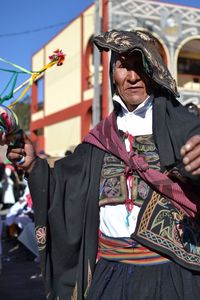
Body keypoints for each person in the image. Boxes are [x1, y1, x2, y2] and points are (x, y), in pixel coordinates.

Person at [5, 29, 200, 300]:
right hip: (110, 277)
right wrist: (33, 165)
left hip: (173, 276)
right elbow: (61, 186)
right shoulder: (100, 139)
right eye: (123, 66)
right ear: (112, 74)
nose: (132, 77)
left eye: (140, 66)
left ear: (154, 71)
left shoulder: (184, 125)